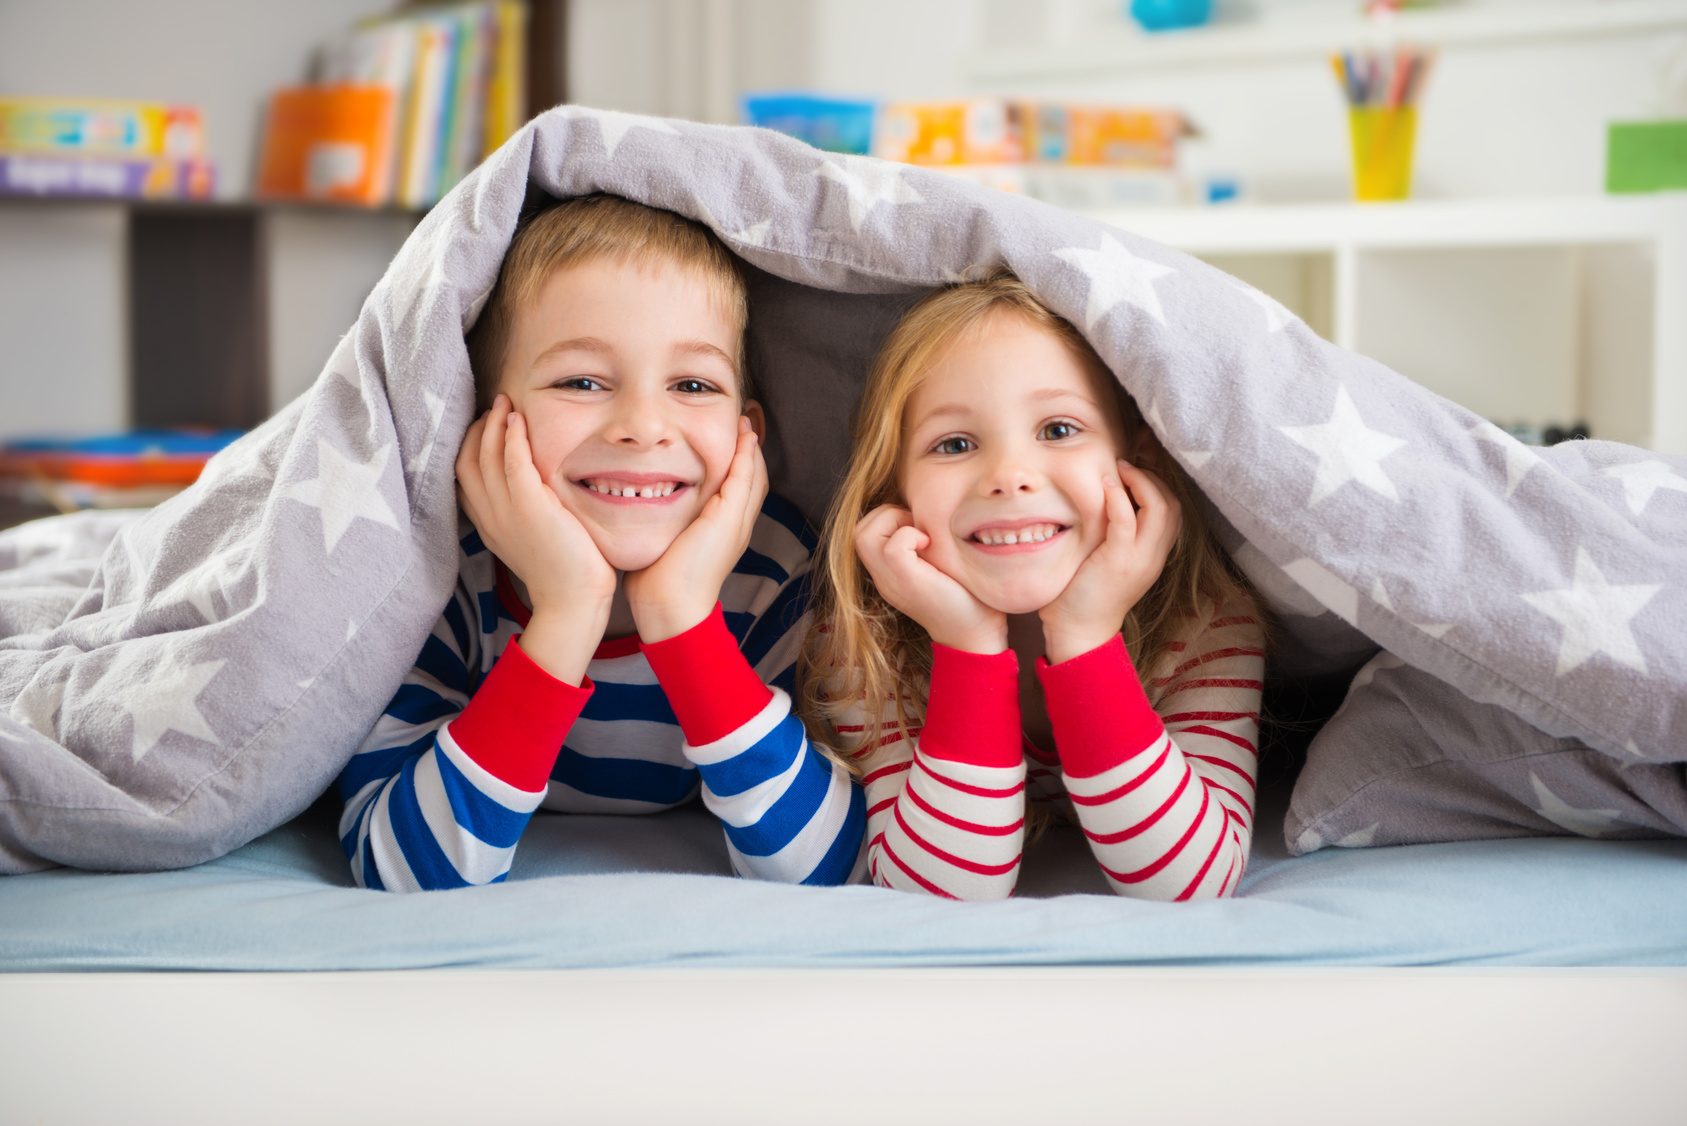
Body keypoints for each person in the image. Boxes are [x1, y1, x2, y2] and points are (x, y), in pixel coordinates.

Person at [337, 193, 865, 892]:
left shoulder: (780, 577)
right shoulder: (437, 575)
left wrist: (682, 619)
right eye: (581, 381)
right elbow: (404, 872)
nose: (643, 427)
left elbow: (829, 867)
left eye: (692, 384)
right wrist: (567, 609)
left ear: (748, 439)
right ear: (486, 426)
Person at [801, 269, 1264, 902]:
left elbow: (1190, 886)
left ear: (1140, 460)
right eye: (954, 443)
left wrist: (1086, 636)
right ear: (895, 491)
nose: (1010, 475)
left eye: (1058, 430)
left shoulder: (1204, 620)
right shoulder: (865, 642)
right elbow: (944, 895)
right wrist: (966, 646)